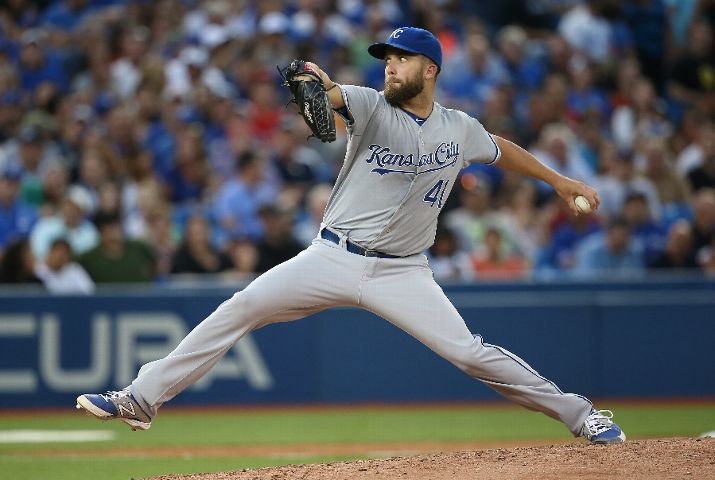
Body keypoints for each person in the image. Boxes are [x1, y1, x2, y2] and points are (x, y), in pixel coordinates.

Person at [76, 27, 624, 445]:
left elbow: (501, 149)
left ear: (429, 69)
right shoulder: (369, 105)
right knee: (242, 306)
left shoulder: (460, 128)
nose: (389, 66)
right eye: (386, 58)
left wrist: (558, 180)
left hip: (404, 272)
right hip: (331, 257)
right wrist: (318, 84)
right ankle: (141, 398)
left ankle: (581, 414)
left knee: (469, 354)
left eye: (400, 58)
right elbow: (336, 97)